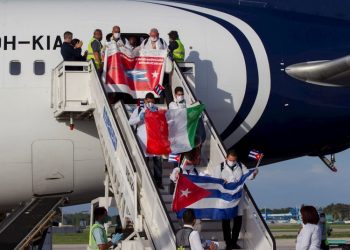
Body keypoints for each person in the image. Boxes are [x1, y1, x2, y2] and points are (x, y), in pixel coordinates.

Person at [216, 150, 258, 250]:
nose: (232, 162)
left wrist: (255, 172)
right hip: (225, 198)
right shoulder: (220, 167)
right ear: (226, 157)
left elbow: (249, 175)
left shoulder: (240, 165)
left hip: (237, 197)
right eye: (230, 160)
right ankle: (228, 242)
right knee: (226, 221)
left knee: (238, 220)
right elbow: (215, 180)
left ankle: (234, 242)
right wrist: (222, 181)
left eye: (234, 160)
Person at [128, 93, 164, 189]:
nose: (150, 103)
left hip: (155, 140)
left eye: (152, 102)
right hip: (143, 141)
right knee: (145, 163)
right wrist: (139, 118)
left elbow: (162, 124)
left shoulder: (157, 110)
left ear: (154, 101)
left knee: (158, 162)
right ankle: (147, 182)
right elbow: (130, 122)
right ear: (144, 101)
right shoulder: (139, 110)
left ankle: (158, 182)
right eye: (148, 101)